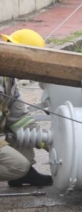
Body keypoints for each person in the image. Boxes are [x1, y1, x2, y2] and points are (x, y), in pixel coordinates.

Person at [0, 29, 53, 187]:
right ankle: (21, 171)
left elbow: (20, 119)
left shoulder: (8, 78)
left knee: (20, 131)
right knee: (18, 166)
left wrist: (50, 142)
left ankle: (23, 175)